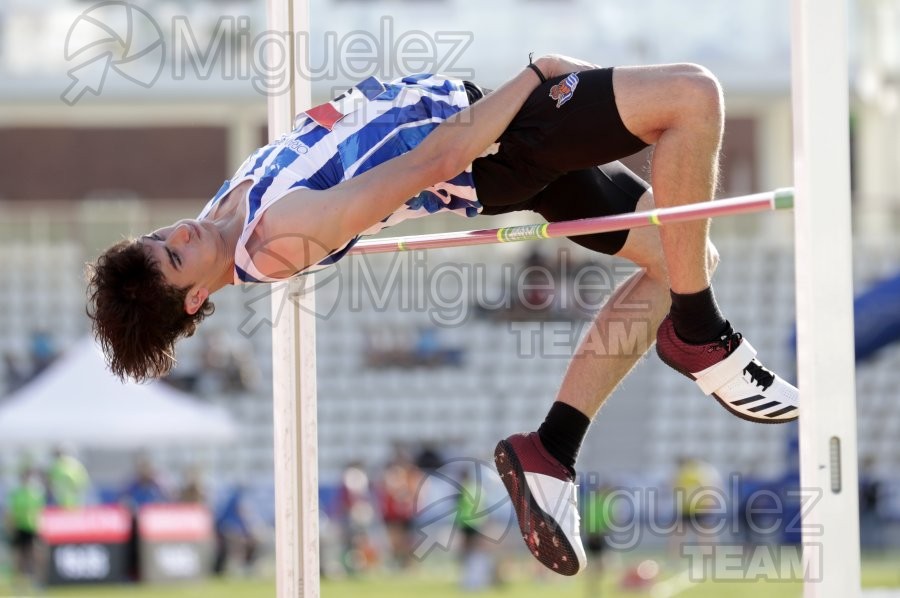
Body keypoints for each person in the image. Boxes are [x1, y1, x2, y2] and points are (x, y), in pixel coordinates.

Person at [86, 54, 799, 575]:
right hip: (495, 144)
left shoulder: (218, 217)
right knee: (693, 96)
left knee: (684, 257)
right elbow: (428, 164)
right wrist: (535, 75)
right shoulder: (282, 235)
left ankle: (551, 449)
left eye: (160, 236)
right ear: (196, 298)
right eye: (175, 256)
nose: (180, 234)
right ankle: (700, 333)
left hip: (488, 131)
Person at [5, 466, 46, 593]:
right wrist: (10, 526)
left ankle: (38, 582)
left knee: (36, 555)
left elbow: (41, 512)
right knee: (19, 557)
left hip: (33, 528)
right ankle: (18, 583)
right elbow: (10, 512)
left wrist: (41, 527)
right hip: (20, 528)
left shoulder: (36, 494)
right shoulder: (16, 494)